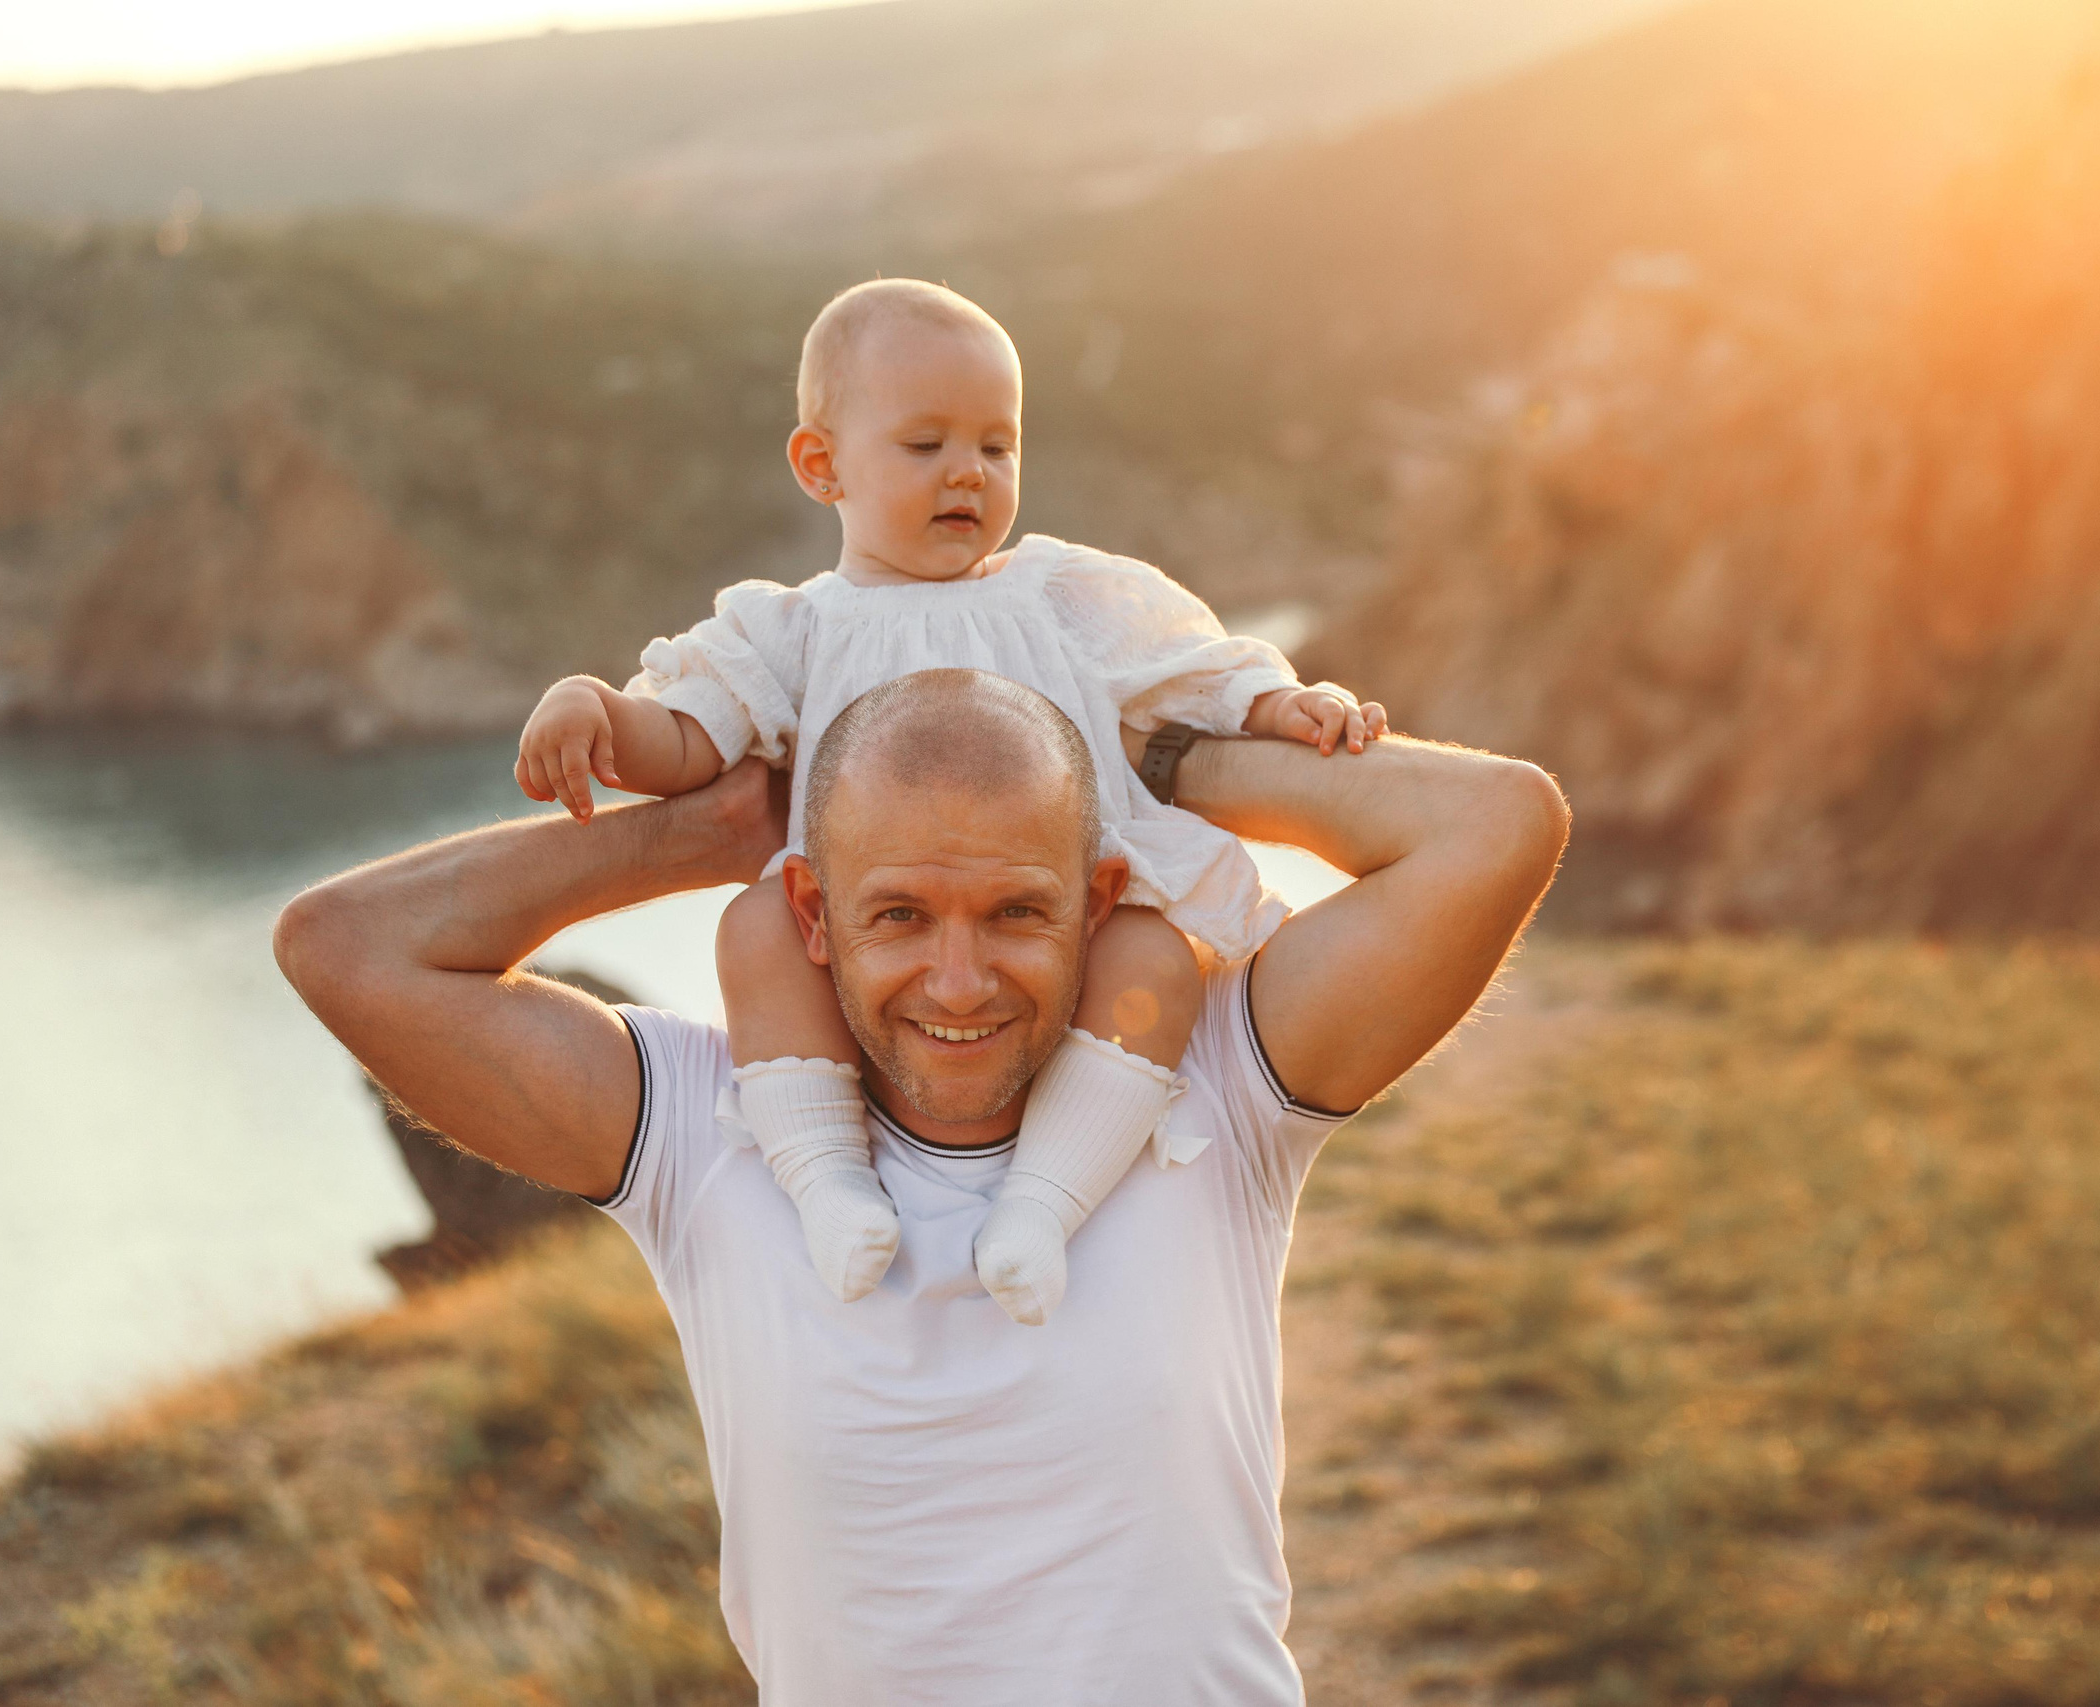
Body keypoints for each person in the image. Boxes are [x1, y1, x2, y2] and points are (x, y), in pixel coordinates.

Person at [273, 667, 1567, 1703]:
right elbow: (344, 945)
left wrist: (1167, 751)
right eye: (898, 915)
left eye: (1017, 909)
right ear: (812, 913)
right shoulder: (699, 1131)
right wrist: (700, 830)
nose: (960, 981)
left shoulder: (1219, 1078)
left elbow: (1498, 820)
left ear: (1099, 895)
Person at [512, 278, 1387, 1324]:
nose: (968, 471)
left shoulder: (1058, 594)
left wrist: (1283, 703)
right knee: (755, 932)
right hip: (871, 934)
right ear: (820, 464)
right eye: (924, 445)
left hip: (1063, 910)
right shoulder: (791, 631)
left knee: (1154, 959)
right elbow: (693, 737)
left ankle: (1042, 1207)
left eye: (997, 446)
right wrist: (598, 713)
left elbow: (1189, 669)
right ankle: (828, 1183)